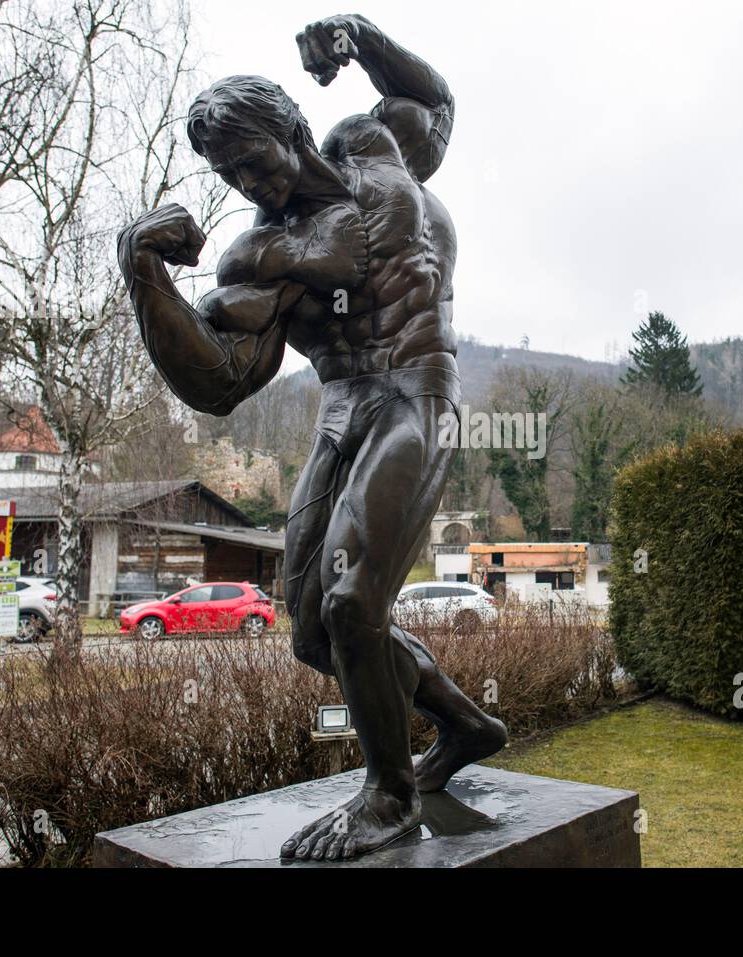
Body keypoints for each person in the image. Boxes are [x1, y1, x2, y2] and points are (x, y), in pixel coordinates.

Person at [117, 14, 506, 862]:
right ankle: (467, 724)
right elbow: (219, 380)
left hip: (416, 388)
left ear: (292, 130)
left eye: (253, 160)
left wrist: (357, 36)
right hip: (342, 409)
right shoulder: (261, 256)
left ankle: (389, 792)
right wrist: (143, 274)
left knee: (352, 601)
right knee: (309, 629)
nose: (248, 185)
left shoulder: (373, 146)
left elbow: (433, 100)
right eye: (229, 175)